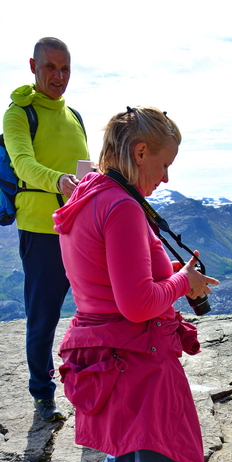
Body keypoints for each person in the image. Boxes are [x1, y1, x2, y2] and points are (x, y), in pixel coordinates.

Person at [53, 107, 219, 462]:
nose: (167, 177)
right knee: (164, 461)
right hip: (136, 354)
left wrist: (168, 271)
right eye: (164, 164)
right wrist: (181, 282)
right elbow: (137, 302)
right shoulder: (122, 206)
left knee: (124, 454)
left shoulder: (90, 195)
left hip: (104, 350)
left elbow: (111, 270)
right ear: (140, 152)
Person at [3, 37, 88, 422]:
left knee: (94, 310)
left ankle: (92, 384)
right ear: (33, 66)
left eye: (65, 68)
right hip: (41, 229)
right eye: (50, 67)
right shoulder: (19, 114)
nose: (58, 76)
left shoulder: (75, 117)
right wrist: (59, 182)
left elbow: (85, 168)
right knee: (44, 316)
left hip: (82, 230)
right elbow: (22, 163)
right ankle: (42, 392)